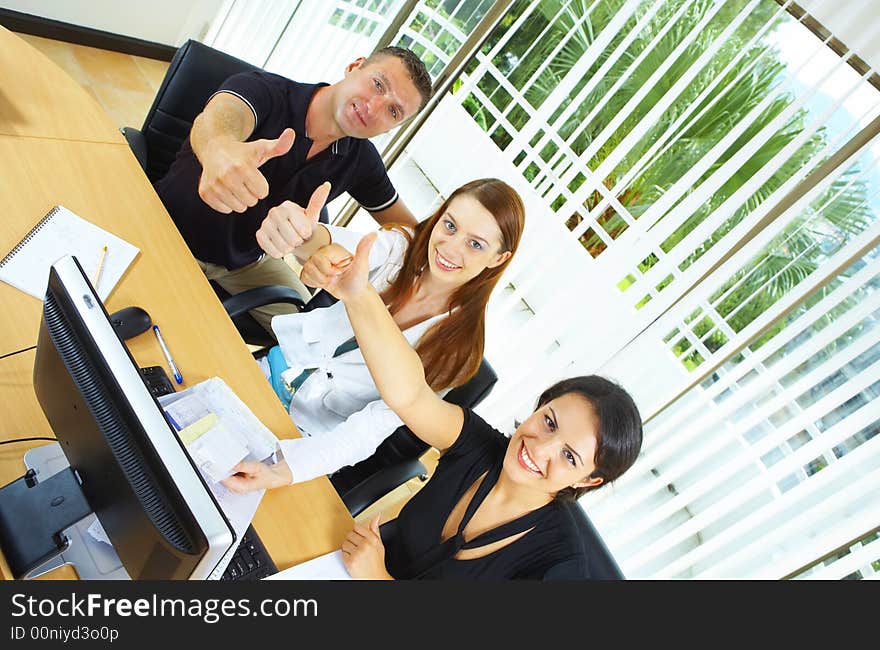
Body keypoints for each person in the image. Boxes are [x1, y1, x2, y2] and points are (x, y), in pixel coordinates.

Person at [228, 231, 644, 579]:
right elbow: (408, 393)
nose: (539, 448)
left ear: (588, 480)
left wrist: (378, 580)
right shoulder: (481, 447)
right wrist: (358, 294)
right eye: (549, 422)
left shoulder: (557, 565)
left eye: (569, 456)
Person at [221, 178, 526, 488]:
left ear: (499, 258)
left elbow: (369, 429)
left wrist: (284, 470)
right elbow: (343, 248)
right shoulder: (401, 248)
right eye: (450, 226)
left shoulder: (458, 349)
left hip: (305, 439)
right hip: (260, 378)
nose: (450, 247)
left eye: (475, 244)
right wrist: (305, 236)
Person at [154, 46, 432, 332]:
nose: (374, 107)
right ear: (354, 66)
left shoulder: (361, 160)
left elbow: (416, 233)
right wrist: (218, 148)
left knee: (306, 334)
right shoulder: (263, 90)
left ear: (391, 128)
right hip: (168, 223)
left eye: (393, 111)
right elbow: (218, 120)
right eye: (377, 84)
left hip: (245, 265)